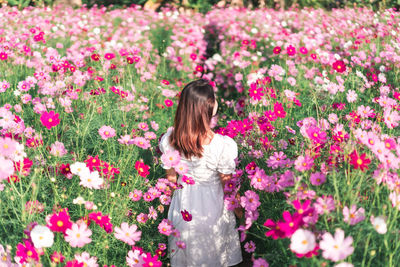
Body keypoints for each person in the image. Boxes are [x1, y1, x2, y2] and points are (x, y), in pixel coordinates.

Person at [158, 78, 244, 267]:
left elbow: (171, 180)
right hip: (212, 206)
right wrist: (240, 210)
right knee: (213, 251)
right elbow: (227, 185)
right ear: (208, 109)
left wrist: (169, 202)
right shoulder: (222, 145)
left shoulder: (170, 140)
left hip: (184, 205)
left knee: (187, 252)